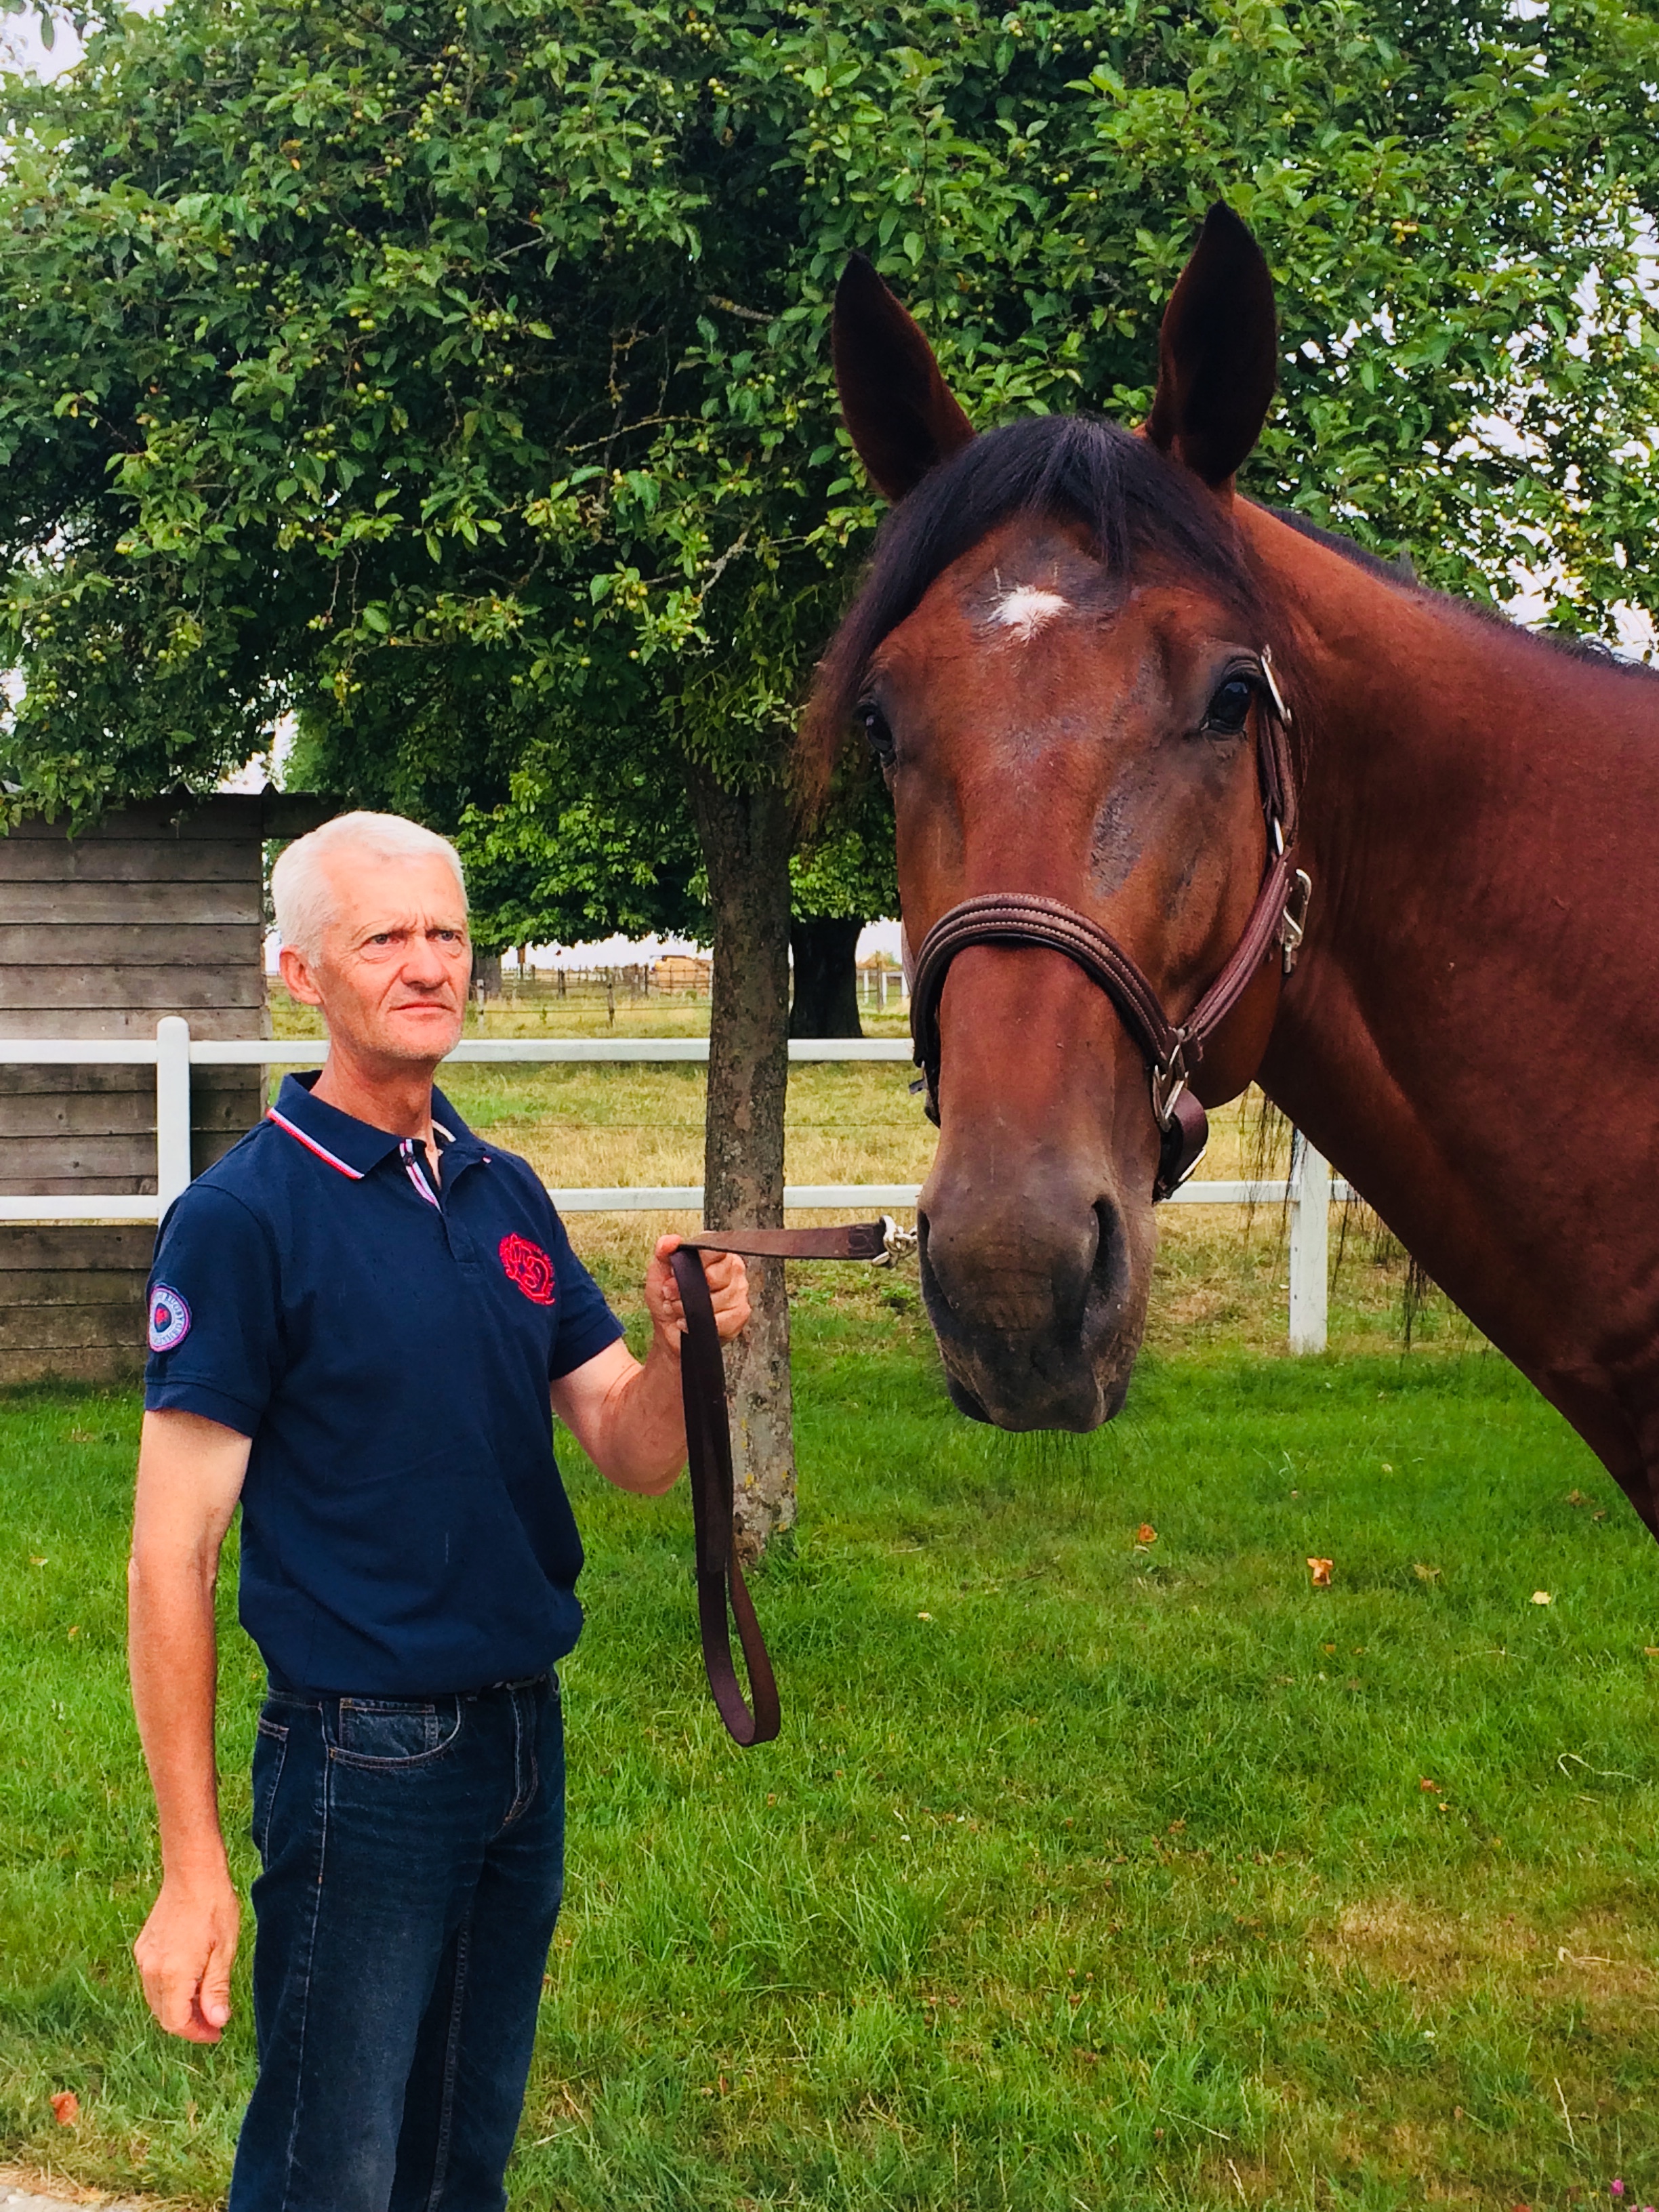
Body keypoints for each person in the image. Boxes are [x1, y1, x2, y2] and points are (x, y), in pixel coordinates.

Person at [127, 811, 749, 2212]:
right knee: (326, 2177)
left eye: (448, 934)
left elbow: (630, 1447)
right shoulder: (246, 1220)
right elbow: (171, 1556)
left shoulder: (500, 1189)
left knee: (459, 2169)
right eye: (385, 939)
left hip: (523, 1744)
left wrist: (683, 1354)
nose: (427, 966)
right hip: (362, 1764)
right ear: (300, 973)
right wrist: (191, 1870)